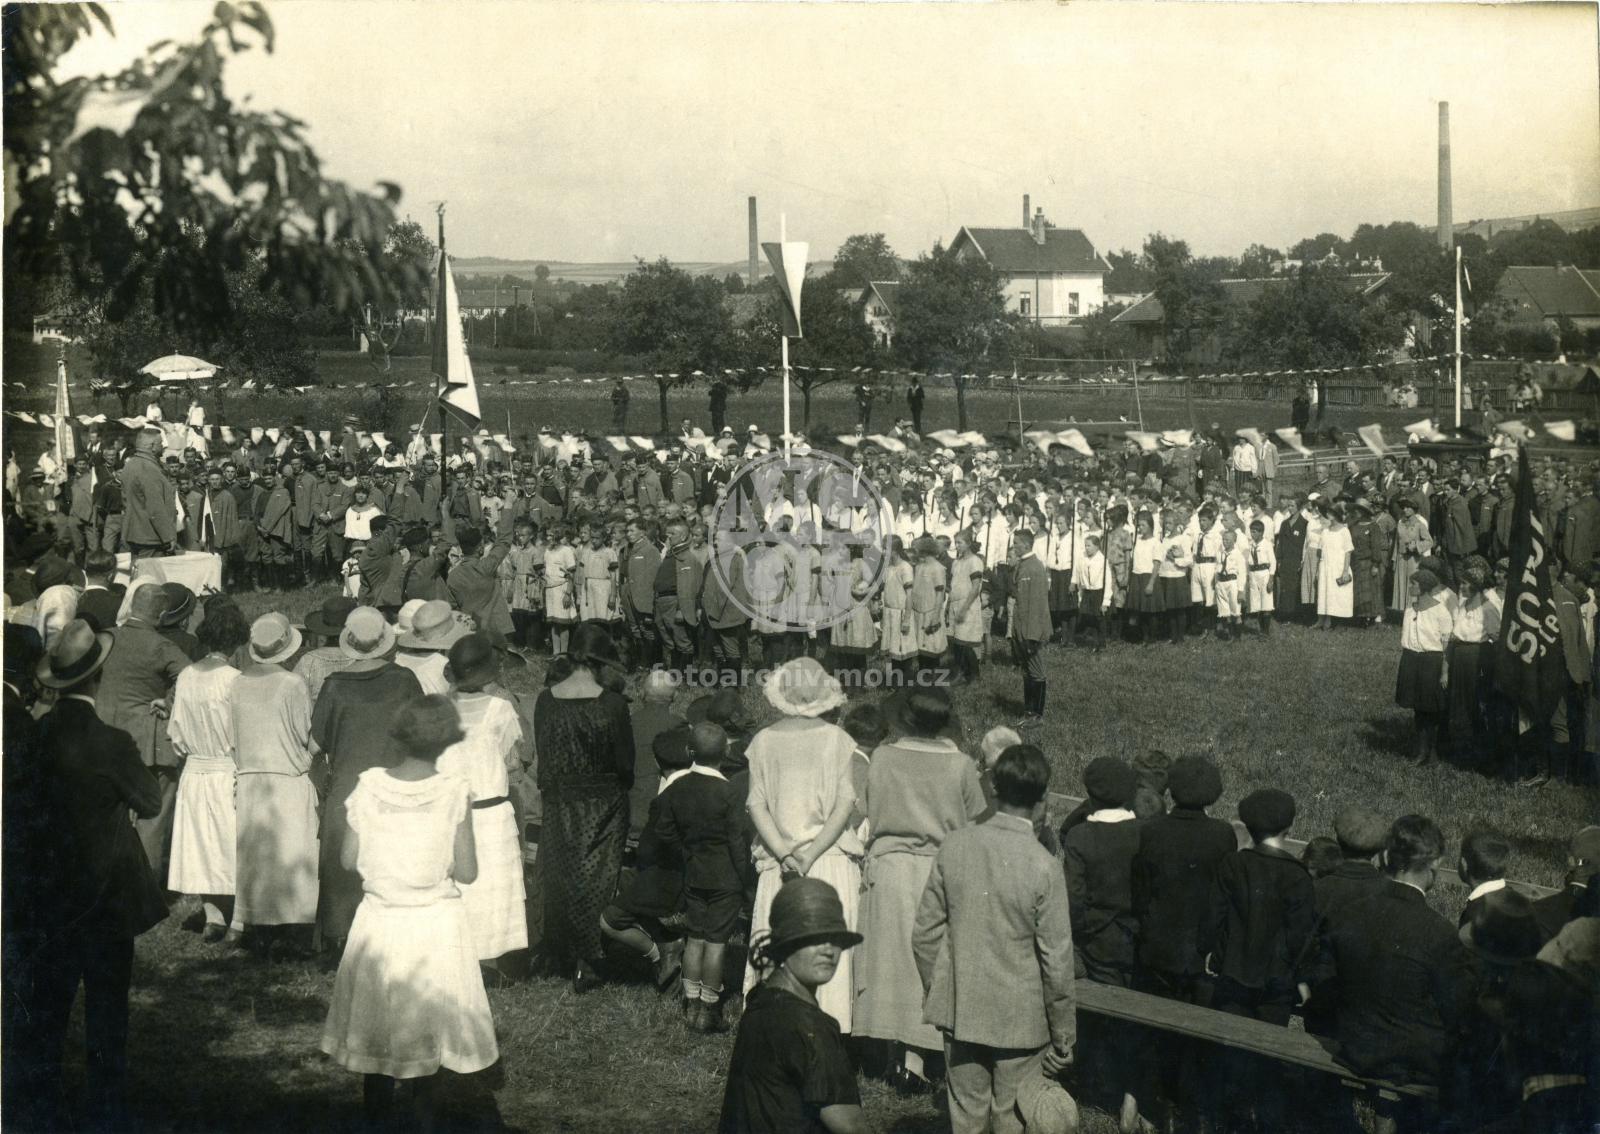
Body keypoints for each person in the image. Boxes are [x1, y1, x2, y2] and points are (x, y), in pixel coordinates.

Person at [319, 695, 498, 1131]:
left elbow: (347, 859)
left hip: (380, 921)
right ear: (446, 743)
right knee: (429, 1033)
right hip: (434, 924)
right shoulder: (454, 790)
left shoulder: (370, 785)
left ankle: (376, 1122)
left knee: (376, 1028)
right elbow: (469, 871)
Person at [913, 744, 1077, 1134]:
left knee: (967, 1119)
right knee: (1013, 1119)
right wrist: (1063, 1037)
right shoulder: (1045, 866)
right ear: (1044, 800)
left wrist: (939, 989)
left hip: (961, 1011)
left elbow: (924, 934)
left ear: (993, 791)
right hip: (1022, 1021)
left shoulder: (954, 846)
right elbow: (1057, 960)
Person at [853, 688, 985, 1094]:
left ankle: (893, 1051)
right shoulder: (961, 766)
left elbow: (868, 810)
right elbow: (977, 821)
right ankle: (919, 1058)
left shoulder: (883, 757)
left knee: (890, 962)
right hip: (939, 871)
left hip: (890, 867)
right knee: (931, 964)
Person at [1321, 815, 1478, 1128]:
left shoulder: (1350, 914)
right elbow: (1459, 1010)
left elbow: (1327, 982)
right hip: (1411, 1062)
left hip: (1355, 1046)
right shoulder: (1440, 933)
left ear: (1385, 858)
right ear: (1434, 867)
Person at [743, 658, 861, 1033]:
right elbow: (845, 804)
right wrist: (810, 854)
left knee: (780, 939)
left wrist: (785, 853)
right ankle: (832, 1027)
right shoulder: (838, 740)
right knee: (826, 945)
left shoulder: (762, 741)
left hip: (782, 865)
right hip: (827, 858)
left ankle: (775, 1023)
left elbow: (755, 804)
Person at [1200, 788, 1317, 1131]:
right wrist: (1304, 977)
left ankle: (1230, 1119)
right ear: (1290, 827)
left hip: (1233, 973)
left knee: (1232, 1053)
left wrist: (1208, 950)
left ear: (1247, 826)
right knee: (1268, 1053)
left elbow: (1213, 916)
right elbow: (1301, 936)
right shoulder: (1297, 875)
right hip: (1276, 983)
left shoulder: (1234, 863)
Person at [311, 606, 425, 950]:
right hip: (394, 783)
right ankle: (389, 937)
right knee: (391, 863)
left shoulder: (335, 686)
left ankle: (339, 937)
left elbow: (316, 744)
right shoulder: (404, 680)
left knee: (341, 865)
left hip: (347, 786)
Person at [719, 877, 871, 1134]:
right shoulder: (808, 1026)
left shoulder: (760, 1001)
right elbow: (852, 1127)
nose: (829, 950)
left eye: (834, 938)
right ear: (786, 943)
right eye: (814, 938)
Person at [532, 622, 635, 992]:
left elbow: (544, 754)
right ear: (599, 662)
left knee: (561, 874)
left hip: (559, 801)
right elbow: (626, 763)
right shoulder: (612, 704)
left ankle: (558, 950)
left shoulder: (545, 699)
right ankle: (589, 958)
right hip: (603, 803)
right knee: (598, 878)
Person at [439, 634, 529, 982]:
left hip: (460, 810)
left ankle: (472, 957)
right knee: (489, 885)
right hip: (488, 809)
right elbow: (511, 757)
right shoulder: (501, 709)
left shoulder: (441, 707)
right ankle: (483, 958)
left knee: (468, 883)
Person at [655, 722, 755, 1033]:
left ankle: (690, 1004)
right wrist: (746, 879)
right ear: (726, 752)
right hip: (726, 877)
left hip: (694, 873)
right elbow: (738, 842)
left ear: (689, 751)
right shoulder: (730, 791)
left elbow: (663, 832)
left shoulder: (676, 787)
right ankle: (709, 1011)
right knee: (716, 942)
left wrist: (686, 854)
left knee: (694, 938)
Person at [233, 612, 321, 957]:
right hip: (287, 777)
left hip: (252, 778)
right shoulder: (291, 684)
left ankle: (258, 928)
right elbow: (305, 733)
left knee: (258, 854)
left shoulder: (237, 683)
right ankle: (293, 930)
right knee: (292, 853)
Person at [96, 582, 191, 887]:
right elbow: (191, 677)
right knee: (152, 814)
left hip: (102, 736)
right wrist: (169, 701)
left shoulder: (105, 637)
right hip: (146, 740)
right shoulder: (161, 646)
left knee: (108, 813)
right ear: (162, 615)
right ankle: (144, 890)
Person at [166, 599, 250, 942]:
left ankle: (214, 916)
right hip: (226, 768)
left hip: (195, 769)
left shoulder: (186, 675)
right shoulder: (235, 679)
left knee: (201, 842)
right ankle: (237, 921)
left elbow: (177, 732)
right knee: (231, 844)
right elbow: (243, 729)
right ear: (236, 642)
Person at [1396, 567, 1454, 766]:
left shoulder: (1440, 611)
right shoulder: (1410, 610)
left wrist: (1444, 672)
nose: (1410, 586)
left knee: (1431, 708)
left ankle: (1434, 752)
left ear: (1424, 588)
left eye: (1413, 584)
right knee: (1418, 708)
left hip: (1431, 662)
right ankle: (1421, 750)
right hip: (1411, 660)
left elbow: (1447, 644)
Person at [1011, 530, 1050, 723]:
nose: (1013, 546)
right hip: (1021, 629)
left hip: (1031, 631)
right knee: (1026, 672)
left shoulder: (1035, 568)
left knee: (1037, 672)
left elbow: (1037, 605)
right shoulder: (1023, 565)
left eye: (1016, 543)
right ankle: (1028, 712)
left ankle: (1037, 715)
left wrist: (1032, 635)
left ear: (1026, 545)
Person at [120, 428, 178, 559]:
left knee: (137, 574)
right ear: (152, 446)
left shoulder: (129, 465)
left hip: (134, 533)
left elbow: (125, 501)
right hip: (151, 538)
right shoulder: (149, 469)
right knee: (150, 577)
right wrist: (168, 537)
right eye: (160, 443)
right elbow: (155, 508)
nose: (163, 446)